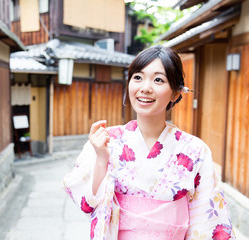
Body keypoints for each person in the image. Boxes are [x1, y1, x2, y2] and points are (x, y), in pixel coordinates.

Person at [63, 45, 235, 240]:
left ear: (176, 93)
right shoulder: (106, 141)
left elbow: (207, 221)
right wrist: (102, 160)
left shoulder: (194, 150)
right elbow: (87, 204)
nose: (145, 87)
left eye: (158, 80)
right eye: (138, 77)